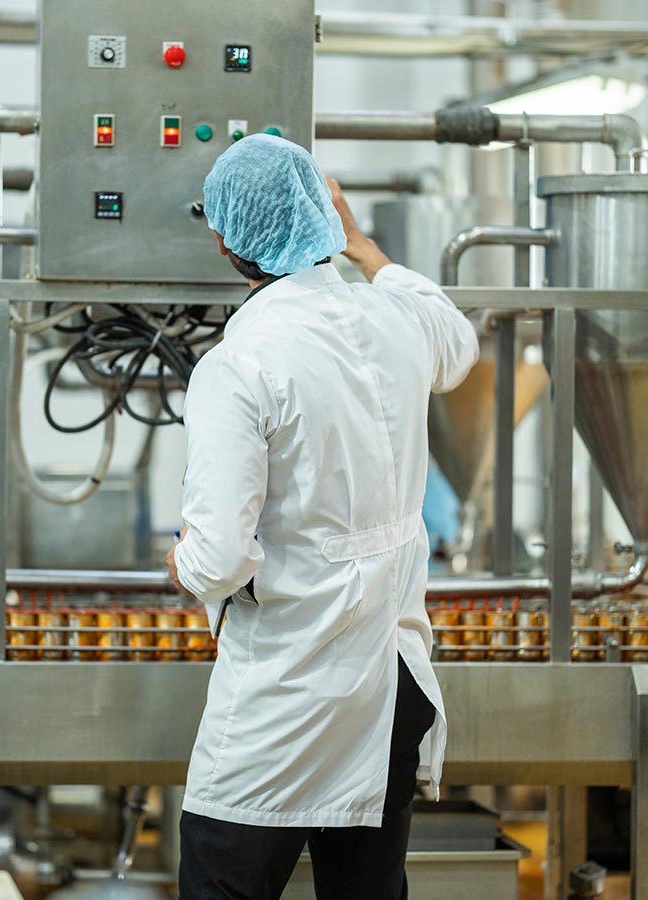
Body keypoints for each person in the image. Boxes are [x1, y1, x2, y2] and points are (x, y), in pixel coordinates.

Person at [165, 134, 479, 900]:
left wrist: (179, 562)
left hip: (289, 694)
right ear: (324, 219)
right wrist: (363, 244)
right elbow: (458, 340)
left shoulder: (238, 366)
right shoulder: (394, 318)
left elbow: (215, 560)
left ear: (223, 239)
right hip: (388, 684)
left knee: (221, 883)